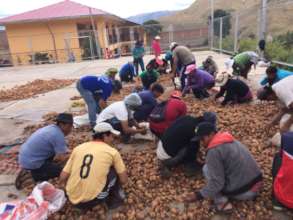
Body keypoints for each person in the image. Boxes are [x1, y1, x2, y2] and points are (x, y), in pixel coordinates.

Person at [184, 122, 263, 213]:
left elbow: (217, 183)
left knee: (206, 169)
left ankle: (223, 204)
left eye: (202, 139)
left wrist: (198, 195)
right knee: (213, 167)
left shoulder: (213, 151)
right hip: (257, 184)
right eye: (199, 140)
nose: (201, 143)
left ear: (212, 134)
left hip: (245, 193)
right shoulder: (228, 139)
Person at [60, 122, 128, 210]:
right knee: (114, 171)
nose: (113, 139)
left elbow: (62, 177)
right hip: (93, 200)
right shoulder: (112, 152)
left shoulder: (78, 148)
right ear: (104, 136)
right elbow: (124, 180)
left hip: (70, 197)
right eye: (112, 136)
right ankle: (113, 200)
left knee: (75, 166)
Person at [157, 113, 217, 178]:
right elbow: (192, 151)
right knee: (191, 148)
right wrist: (195, 161)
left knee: (189, 144)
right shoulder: (194, 131)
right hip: (167, 157)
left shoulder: (187, 118)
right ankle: (190, 169)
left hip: (161, 146)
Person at [17, 113, 73, 182]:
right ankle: (33, 175)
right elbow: (60, 157)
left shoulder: (52, 128)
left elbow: (63, 149)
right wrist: (74, 155)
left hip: (24, 157)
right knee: (61, 172)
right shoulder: (57, 135)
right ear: (61, 124)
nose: (70, 129)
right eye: (69, 126)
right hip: (31, 162)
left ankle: (35, 168)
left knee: (54, 157)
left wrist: (70, 152)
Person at [271, 132, 293, 211]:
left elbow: (283, 128)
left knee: (278, 157)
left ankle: (276, 200)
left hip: (282, 199)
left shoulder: (287, 137)